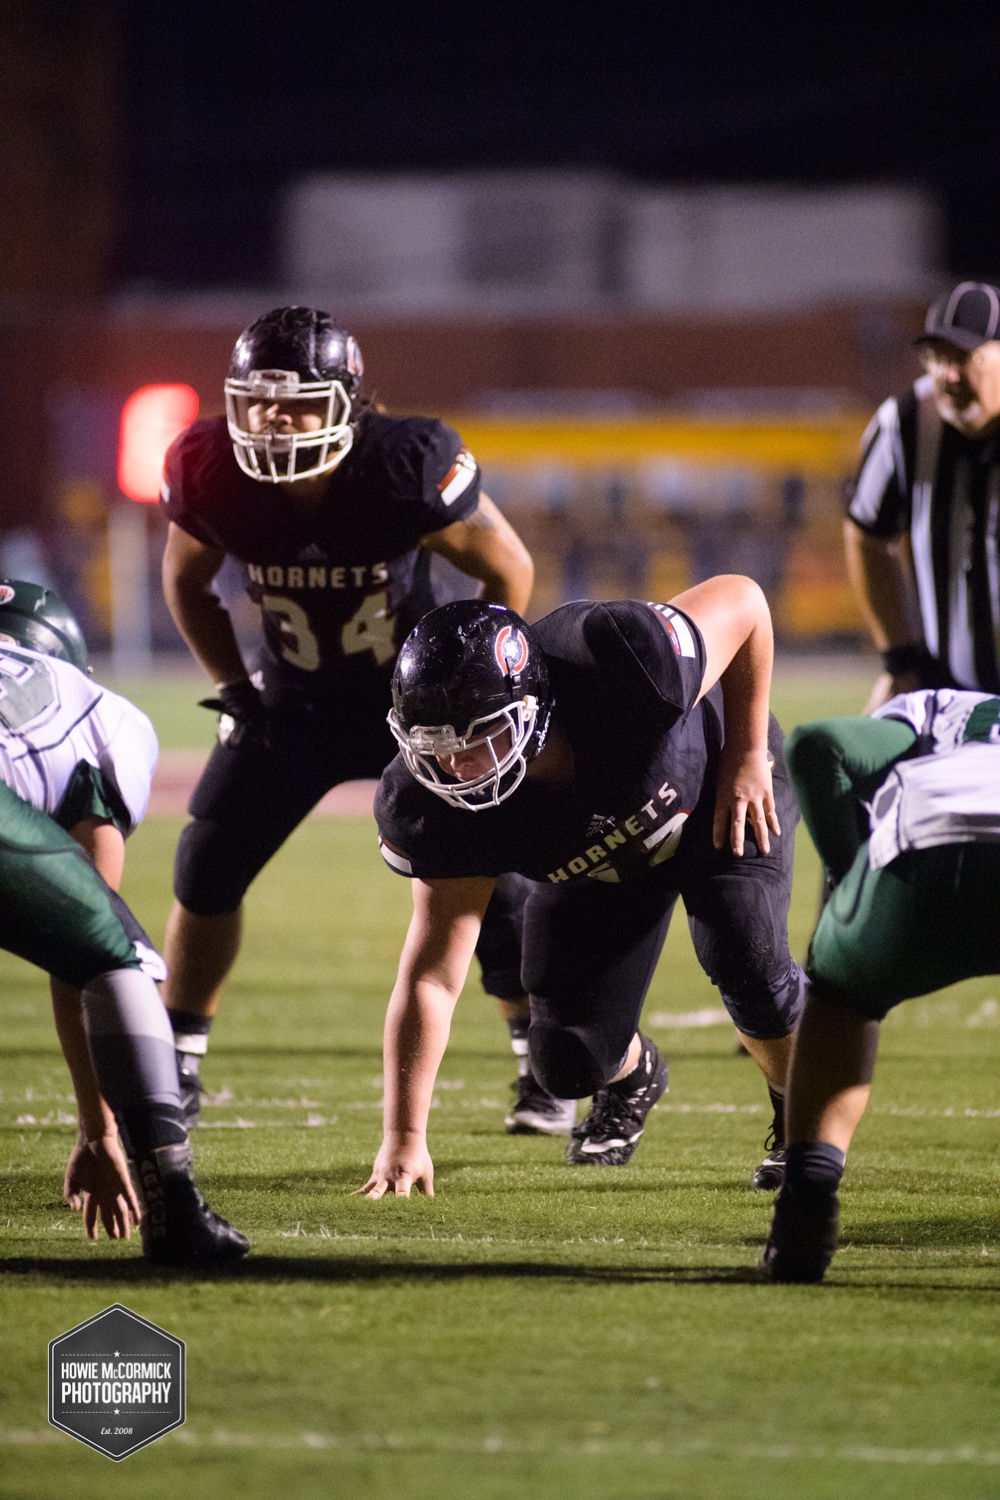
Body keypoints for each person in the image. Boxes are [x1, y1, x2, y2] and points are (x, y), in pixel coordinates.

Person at [157, 306, 571, 1136]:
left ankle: (545, 1068)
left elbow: (509, 569)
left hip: (411, 711)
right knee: (206, 864)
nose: (274, 420)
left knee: (495, 883)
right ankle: (175, 1059)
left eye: (298, 403)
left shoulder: (402, 465)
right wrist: (233, 687)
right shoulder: (212, 470)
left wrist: (472, 686)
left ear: (348, 403)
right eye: (258, 401)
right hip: (292, 704)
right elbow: (186, 583)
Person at [361, 578, 808, 1199]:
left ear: (533, 708)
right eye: (434, 747)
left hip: (716, 790)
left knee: (743, 942)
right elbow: (433, 977)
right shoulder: (433, 803)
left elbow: (746, 602)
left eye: (476, 737)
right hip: (600, 863)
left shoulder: (621, 655)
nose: (455, 767)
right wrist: (405, 1137)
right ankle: (635, 1075)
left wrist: (749, 752)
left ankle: (803, 1119)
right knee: (566, 1060)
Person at [0, 580, 247, 1266]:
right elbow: (85, 949)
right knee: (120, 957)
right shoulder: (102, 709)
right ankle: (174, 1207)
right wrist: (97, 1126)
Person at [762, 686, 1000, 1283]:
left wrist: (847, 878)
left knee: (840, 997)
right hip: (941, 838)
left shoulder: (944, 711)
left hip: (936, 849)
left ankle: (805, 1211)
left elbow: (817, 744)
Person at [845, 281, 1000, 714]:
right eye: (936, 357)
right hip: (945, 693)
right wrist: (899, 660)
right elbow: (866, 535)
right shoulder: (905, 423)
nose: (948, 375)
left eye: (964, 357)